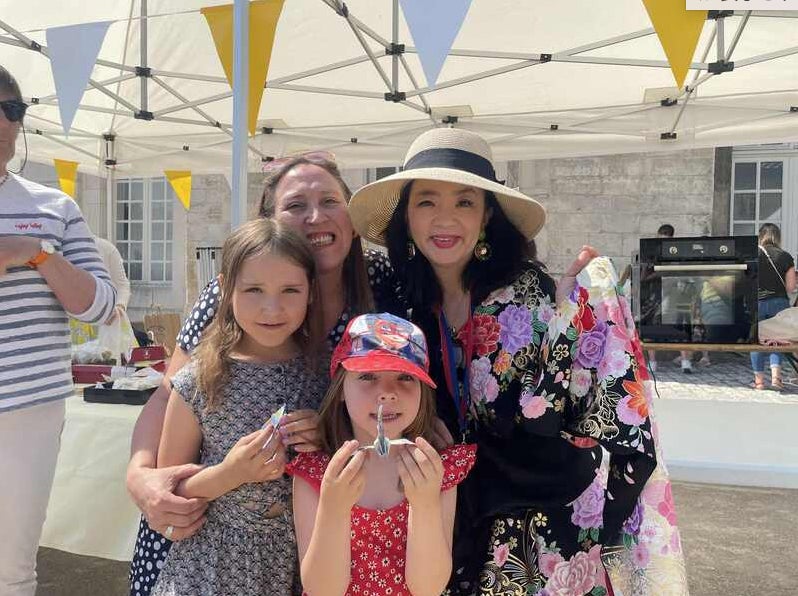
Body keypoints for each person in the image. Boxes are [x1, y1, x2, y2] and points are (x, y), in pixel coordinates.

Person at [348, 127, 658, 594]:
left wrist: (569, 318)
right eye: (427, 202)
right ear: (406, 217)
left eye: (464, 202)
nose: (445, 219)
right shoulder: (405, 305)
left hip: (542, 532)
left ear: (487, 215)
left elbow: (567, 415)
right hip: (450, 526)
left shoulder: (529, 296)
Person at [126, 153, 411, 594]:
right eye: (296, 205)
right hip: (205, 554)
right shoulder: (229, 296)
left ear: (352, 217)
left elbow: (395, 389)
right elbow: (169, 395)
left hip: (304, 548)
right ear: (270, 220)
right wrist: (140, 475)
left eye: (330, 201)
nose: (315, 217)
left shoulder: (383, 281)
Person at [150, 218, 329, 595]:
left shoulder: (331, 376)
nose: (271, 308)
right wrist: (231, 473)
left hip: (305, 566)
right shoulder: (198, 380)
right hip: (212, 571)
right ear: (225, 289)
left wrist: (327, 439)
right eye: (253, 290)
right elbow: (170, 490)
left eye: (290, 290)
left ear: (311, 292)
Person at [0, 66, 117, 596]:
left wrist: (35, 253)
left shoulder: (53, 207)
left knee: (11, 568)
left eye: (11, 110)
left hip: (27, 409)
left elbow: (100, 306)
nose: (2, 122)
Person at [290, 312, 476, 596]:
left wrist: (425, 505)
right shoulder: (316, 472)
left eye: (405, 377)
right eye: (368, 376)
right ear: (340, 389)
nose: (387, 393)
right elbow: (322, 590)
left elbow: (428, 588)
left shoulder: (436, 469)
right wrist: (333, 510)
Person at [646, 223, 700, 373]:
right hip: (663, 292)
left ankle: (682, 361)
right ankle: (676, 362)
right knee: (655, 327)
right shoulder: (669, 252)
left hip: (671, 292)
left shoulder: (667, 252)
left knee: (677, 326)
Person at [751, 223, 796, 390]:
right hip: (779, 303)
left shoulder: (753, 254)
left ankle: (759, 382)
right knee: (777, 339)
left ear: (760, 236)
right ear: (778, 237)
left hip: (757, 303)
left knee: (756, 341)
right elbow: (791, 287)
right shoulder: (785, 256)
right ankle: (776, 379)